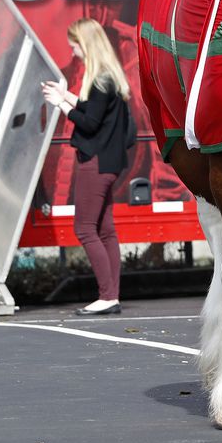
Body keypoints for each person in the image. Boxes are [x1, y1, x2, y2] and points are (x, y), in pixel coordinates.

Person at [42, 18, 135, 317]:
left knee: (84, 228)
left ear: (86, 43)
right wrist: (66, 94)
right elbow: (91, 109)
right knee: (105, 230)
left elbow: (88, 122)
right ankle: (111, 295)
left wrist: (60, 104)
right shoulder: (108, 78)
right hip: (109, 163)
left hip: (94, 163)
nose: (72, 49)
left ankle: (107, 296)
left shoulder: (99, 80)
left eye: (74, 43)